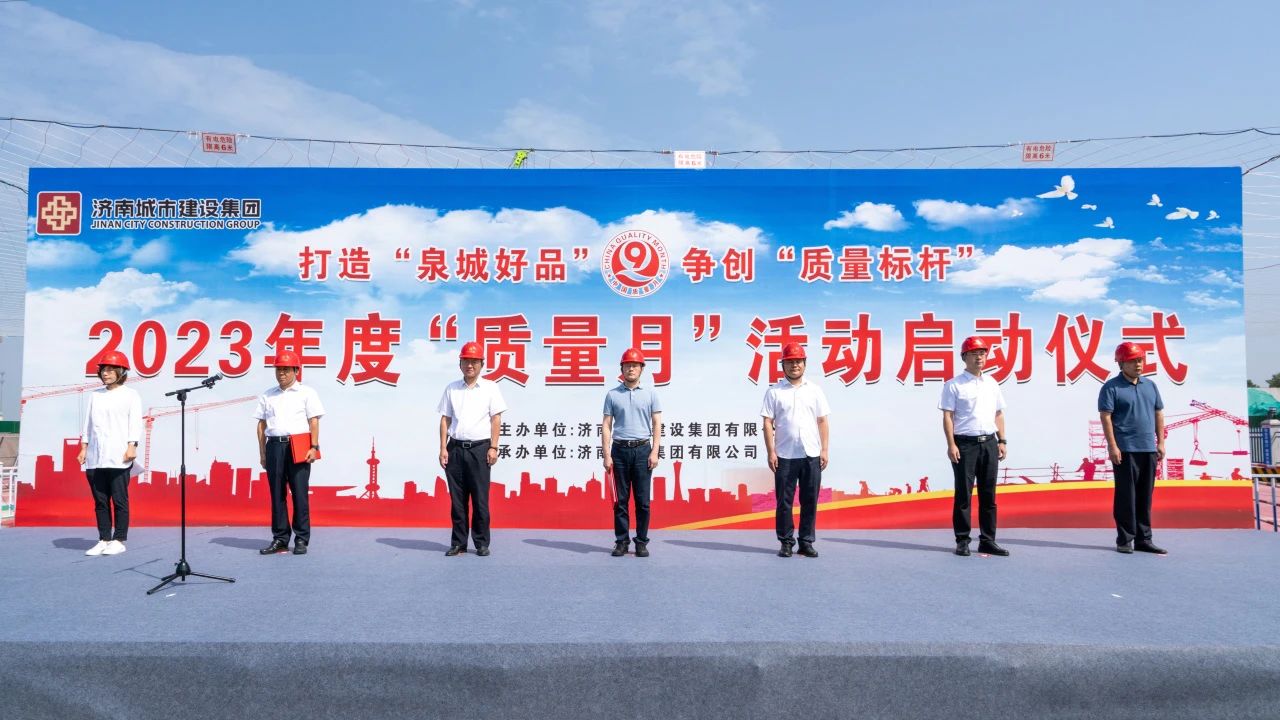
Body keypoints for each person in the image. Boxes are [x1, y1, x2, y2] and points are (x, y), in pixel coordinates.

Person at [939, 336, 1009, 557]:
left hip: (989, 443)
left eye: (982, 353)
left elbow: (998, 413)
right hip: (965, 445)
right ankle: (962, 540)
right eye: (974, 353)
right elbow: (948, 416)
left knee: (989, 496)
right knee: (964, 495)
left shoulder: (992, 383)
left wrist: (1002, 440)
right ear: (964, 357)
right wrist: (951, 444)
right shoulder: (953, 385)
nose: (979, 357)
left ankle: (988, 540)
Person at [761, 342, 830, 558]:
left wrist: (824, 450)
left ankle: (806, 541)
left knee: (810, 500)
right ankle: (786, 542)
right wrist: (771, 452)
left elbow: (822, 421)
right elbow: (767, 422)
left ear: (805, 363)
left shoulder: (815, 390)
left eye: (798, 361)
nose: (794, 366)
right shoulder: (774, 392)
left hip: (811, 454)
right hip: (785, 455)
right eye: (790, 362)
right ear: (783, 365)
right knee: (784, 502)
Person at [438, 341, 507, 557]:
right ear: (460, 363)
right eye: (466, 361)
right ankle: (458, 543)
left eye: (474, 361)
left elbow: (496, 418)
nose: (470, 365)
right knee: (457, 500)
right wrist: (443, 448)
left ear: (481, 364)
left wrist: (494, 447)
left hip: (480, 449)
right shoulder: (451, 388)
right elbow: (445, 419)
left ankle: (481, 543)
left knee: (480, 499)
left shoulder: (490, 388)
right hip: (455, 449)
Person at [1099, 341, 1167, 555]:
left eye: (1140, 360)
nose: (1138, 364)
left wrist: (1161, 442)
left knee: (1145, 497)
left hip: (1148, 449)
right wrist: (1113, 446)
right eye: (1132, 361)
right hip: (1125, 450)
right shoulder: (1111, 387)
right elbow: (1106, 416)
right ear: (1121, 363)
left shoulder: (1150, 385)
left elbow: (1158, 413)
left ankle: (1144, 539)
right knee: (1126, 497)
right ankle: (1125, 539)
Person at [254, 351, 323, 556]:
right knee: (277, 494)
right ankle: (280, 539)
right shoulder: (268, 395)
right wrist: (262, 453)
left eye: (286, 369)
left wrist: (314, 447)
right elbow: (261, 424)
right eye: (278, 369)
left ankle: (301, 538)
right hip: (274, 446)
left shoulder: (307, 393)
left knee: (299, 494)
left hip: (299, 445)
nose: (281, 373)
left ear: (296, 370)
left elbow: (314, 420)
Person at [79, 351, 143, 557]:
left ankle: (119, 539)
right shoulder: (95, 395)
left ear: (121, 372)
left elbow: (135, 422)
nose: (105, 373)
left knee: (119, 500)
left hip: (119, 456)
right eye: (103, 370)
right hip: (95, 456)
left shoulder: (130, 395)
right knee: (100, 501)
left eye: (110, 370)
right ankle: (104, 539)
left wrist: (132, 445)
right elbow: (88, 424)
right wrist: (84, 447)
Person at [602, 348, 662, 557]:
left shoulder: (651, 394)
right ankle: (621, 541)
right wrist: (606, 454)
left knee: (643, 502)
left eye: (635, 365)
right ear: (622, 369)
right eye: (627, 365)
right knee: (620, 501)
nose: (631, 369)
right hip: (619, 451)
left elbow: (657, 423)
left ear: (641, 369)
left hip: (643, 450)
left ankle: (641, 542)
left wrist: (655, 451)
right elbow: (606, 425)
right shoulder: (612, 395)